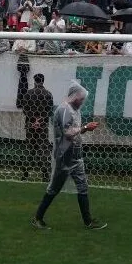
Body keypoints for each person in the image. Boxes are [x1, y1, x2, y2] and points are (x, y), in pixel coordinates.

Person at [32, 81, 106, 230]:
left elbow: (76, 131)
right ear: (74, 96)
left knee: (83, 187)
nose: (83, 101)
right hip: (64, 155)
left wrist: (85, 129)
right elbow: (67, 133)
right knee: (54, 188)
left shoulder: (75, 110)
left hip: (76, 155)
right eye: (81, 98)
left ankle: (88, 221)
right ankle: (37, 217)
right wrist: (85, 127)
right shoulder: (64, 110)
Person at [17, 70, 54, 182]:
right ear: (43, 81)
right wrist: (40, 120)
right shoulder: (48, 94)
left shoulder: (28, 93)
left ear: (34, 81)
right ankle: (45, 175)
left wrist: (33, 120)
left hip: (30, 124)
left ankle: (25, 174)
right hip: (42, 125)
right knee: (43, 149)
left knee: (29, 148)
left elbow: (25, 109)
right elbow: (50, 110)